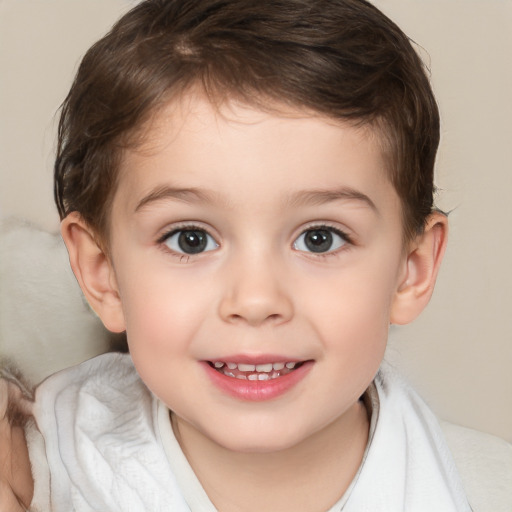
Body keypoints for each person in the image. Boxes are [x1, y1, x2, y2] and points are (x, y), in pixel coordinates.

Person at [0, 0, 476, 510]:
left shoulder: (479, 485)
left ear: (412, 270)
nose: (255, 300)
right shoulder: (39, 465)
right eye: (191, 239)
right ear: (103, 274)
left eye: (320, 238)